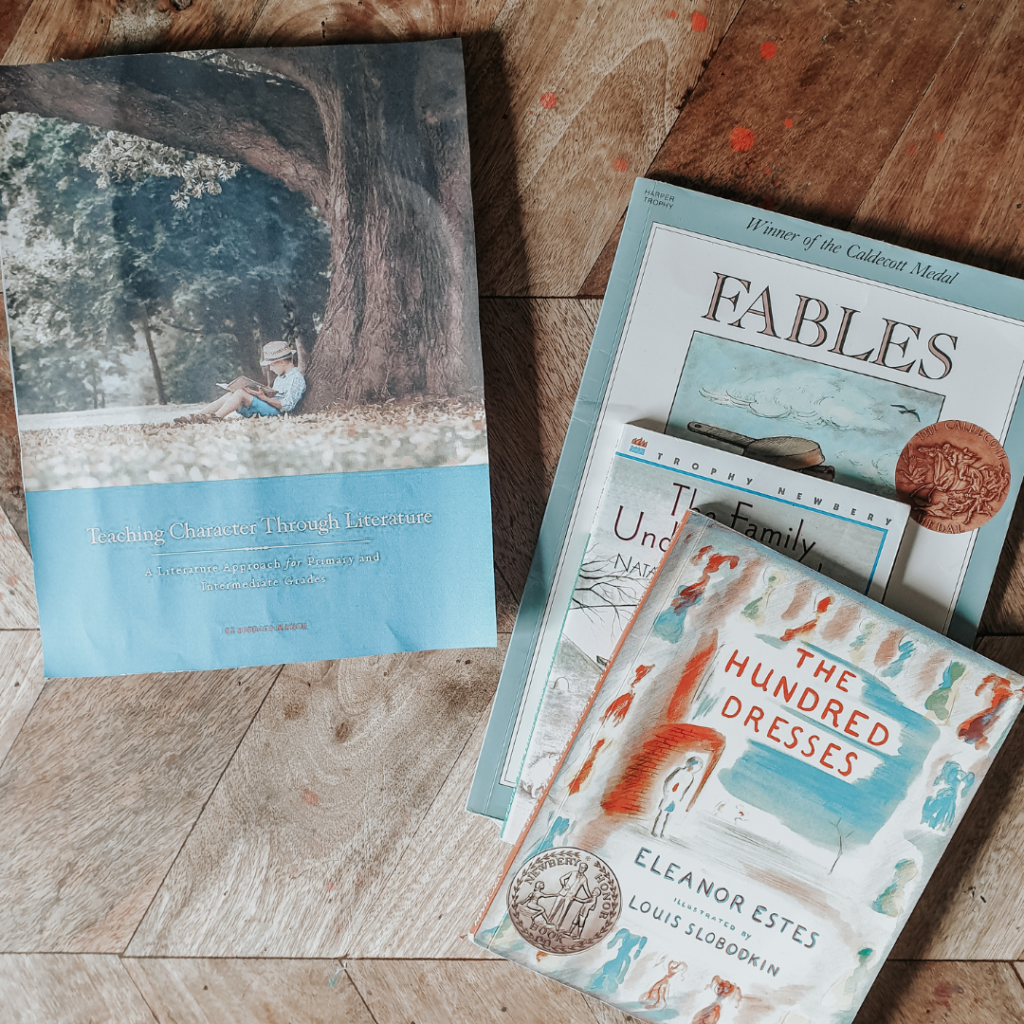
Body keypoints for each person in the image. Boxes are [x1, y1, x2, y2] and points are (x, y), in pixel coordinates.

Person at [186, 341, 306, 421]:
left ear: (281, 362)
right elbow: (274, 395)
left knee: (240, 393)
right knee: (232, 393)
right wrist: (261, 393)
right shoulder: (281, 377)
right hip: (269, 407)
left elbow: (288, 405)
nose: (270, 368)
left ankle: (216, 418)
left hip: (277, 413)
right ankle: (198, 415)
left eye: (271, 365)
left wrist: (263, 398)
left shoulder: (296, 378)